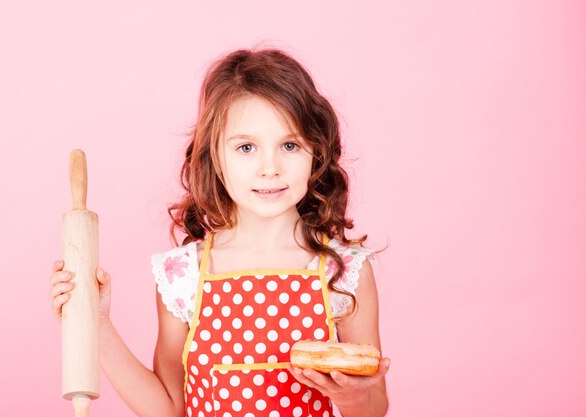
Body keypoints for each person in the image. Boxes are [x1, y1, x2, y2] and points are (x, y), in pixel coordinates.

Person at [50, 48, 390, 417]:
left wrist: (350, 395)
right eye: (246, 147)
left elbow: (373, 409)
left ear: (315, 151)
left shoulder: (344, 271)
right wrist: (96, 325)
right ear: (215, 157)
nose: (269, 168)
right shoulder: (184, 275)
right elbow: (168, 409)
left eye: (289, 145)